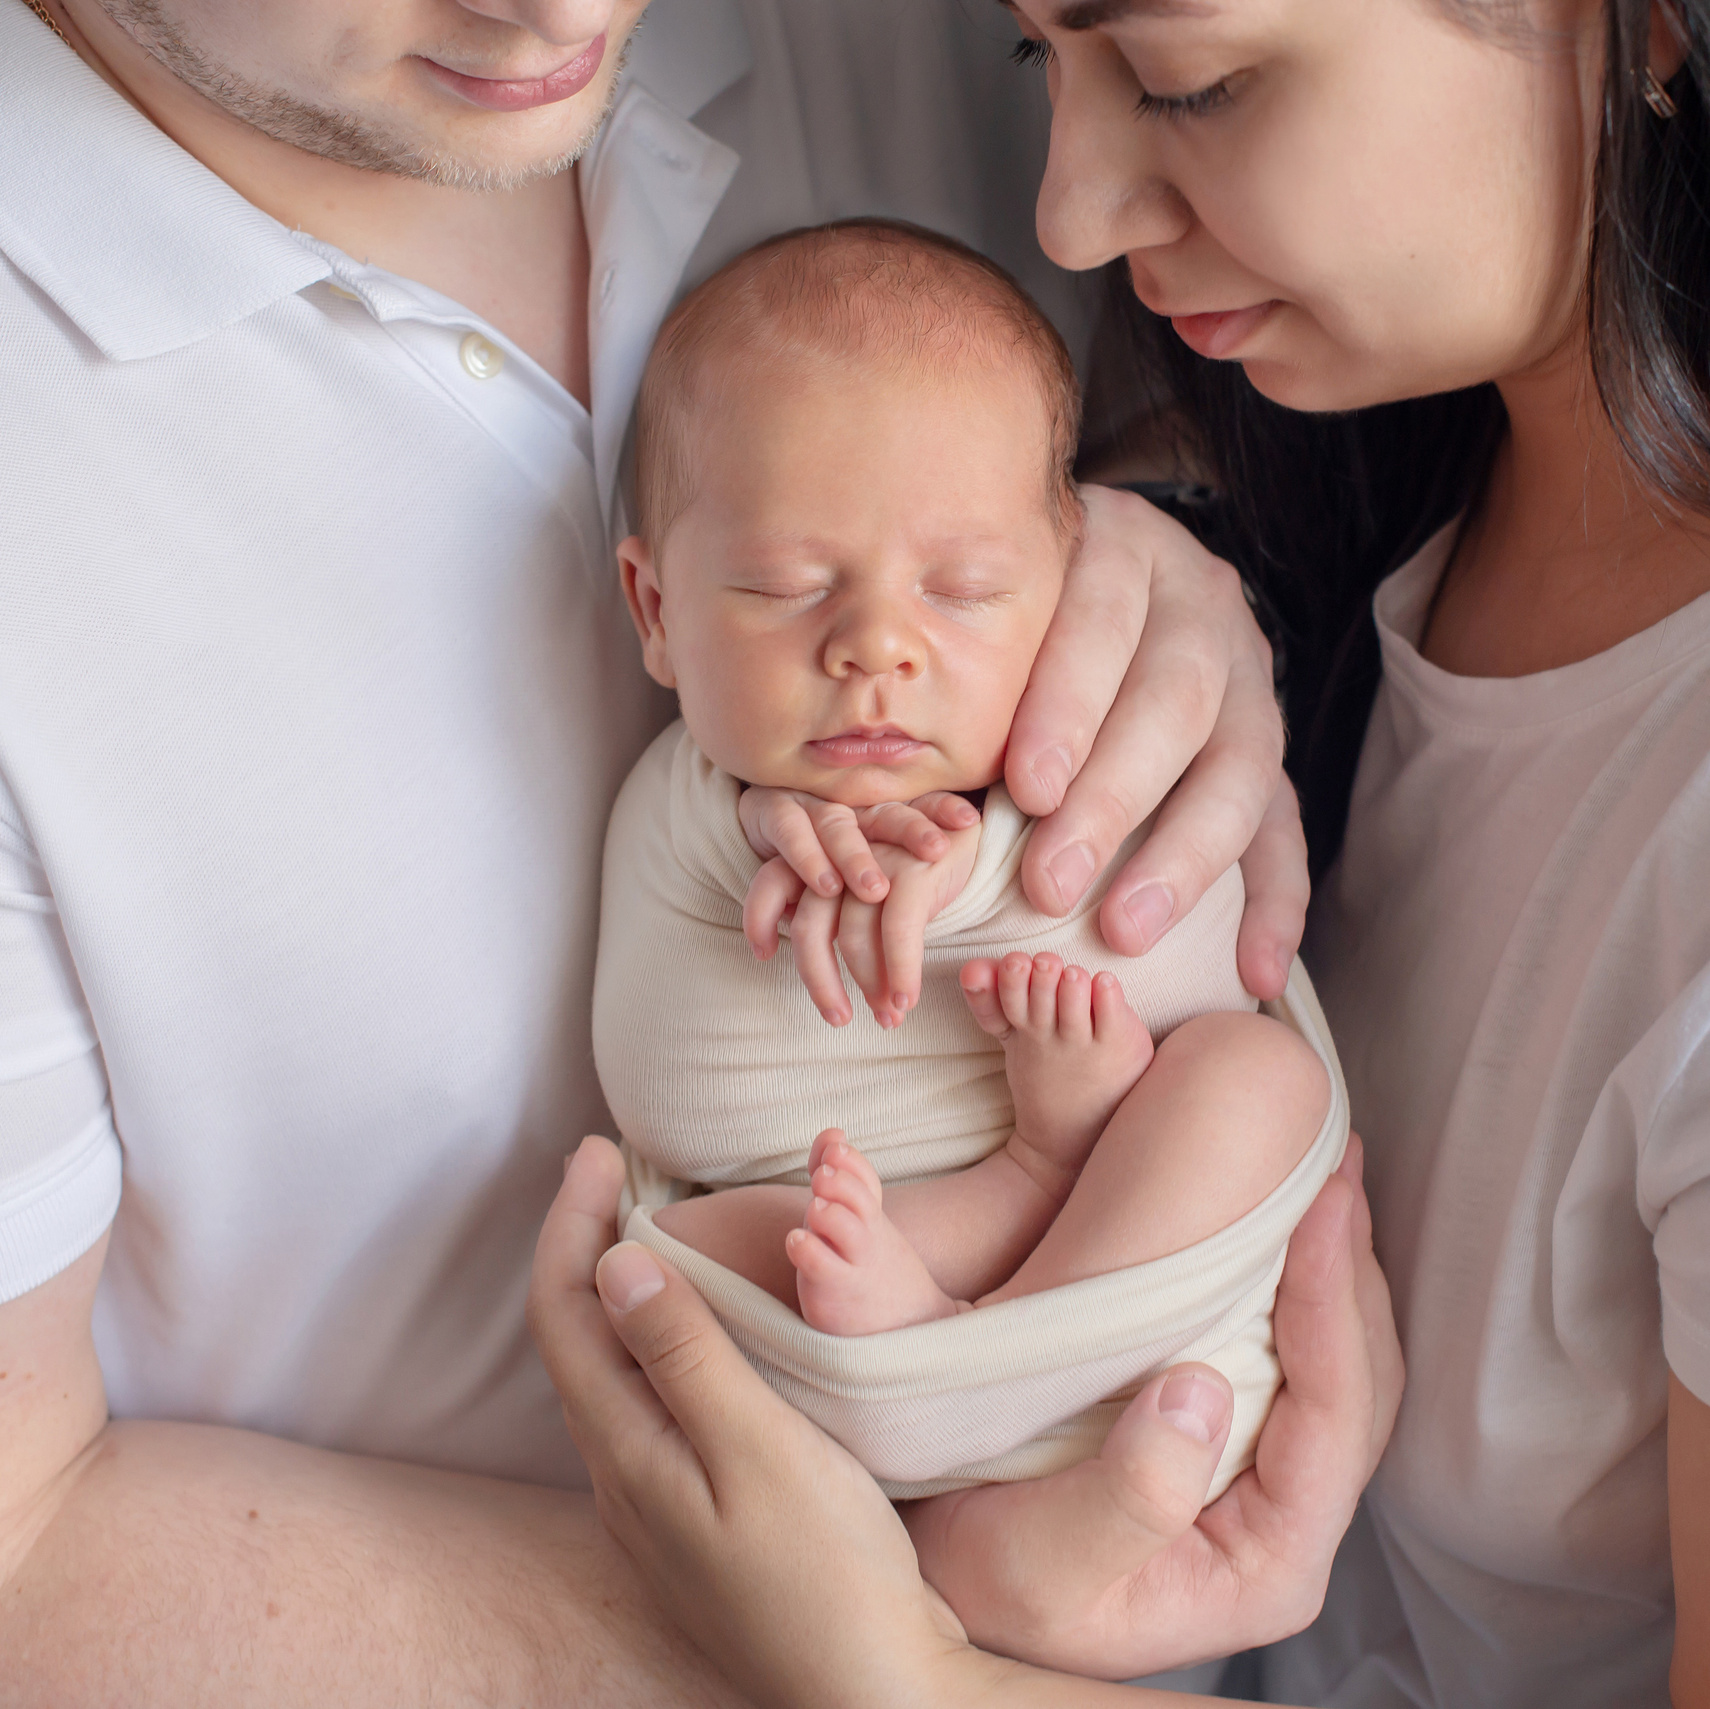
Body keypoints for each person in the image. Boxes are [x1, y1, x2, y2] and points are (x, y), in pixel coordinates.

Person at [0, 0, 1381, 1703]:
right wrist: (903, 1658)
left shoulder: (935, 42)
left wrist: (1152, 547)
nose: (562, 15)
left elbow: (1174, 386)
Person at [532, 0, 1710, 1704]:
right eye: (1037, 62)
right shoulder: (1318, 511)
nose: (1068, 213)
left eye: (1188, 81)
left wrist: (921, 1680)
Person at [594, 218, 1336, 1516]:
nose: (875, 646)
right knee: (670, 1244)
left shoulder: (1091, 748)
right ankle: (978, 1281)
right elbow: (665, 1069)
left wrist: (989, 861)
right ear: (653, 610)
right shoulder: (682, 804)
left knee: (1255, 1077)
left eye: (965, 587)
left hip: (1126, 1315)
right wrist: (766, 827)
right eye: (780, 586)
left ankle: (986, 1327)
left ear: (1073, 579)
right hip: (836, 1307)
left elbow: (1204, 949)